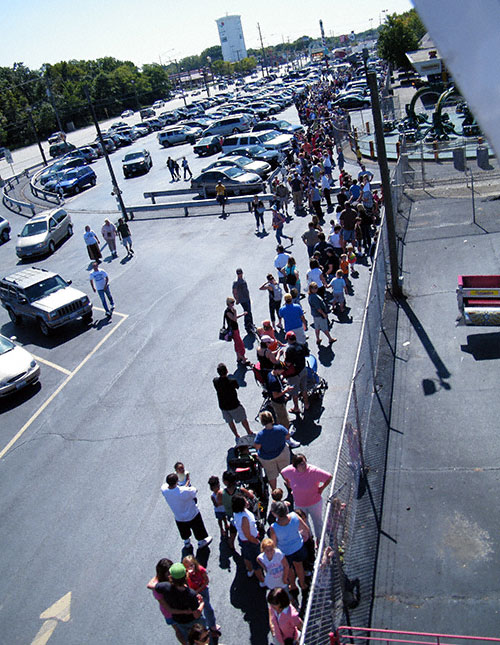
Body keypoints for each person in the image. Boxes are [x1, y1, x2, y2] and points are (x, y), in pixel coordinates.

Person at [151, 562, 206, 644]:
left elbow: (151, 585)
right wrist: (202, 603)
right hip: (194, 621)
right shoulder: (191, 594)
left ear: (170, 577)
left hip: (180, 622)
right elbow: (196, 614)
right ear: (186, 575)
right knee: (202, 637)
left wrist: (158, 574)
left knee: (189, 640)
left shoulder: (165, 587)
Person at [282, 454, 332, 541]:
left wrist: (321, 488)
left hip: (314, 503)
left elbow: (329, 477)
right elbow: (283, 473)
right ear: (295, 466)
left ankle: (320, 540)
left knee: (317, 523)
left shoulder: (314, 471)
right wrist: (288, 483)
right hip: (299, 504)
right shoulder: (290, 471)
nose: (304, 466)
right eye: (301, 464)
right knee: (304, 523)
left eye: (304, 463)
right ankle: (310, 539)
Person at [161, 473, 212, 549]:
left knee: (184, 531)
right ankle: (201, 541)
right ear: (177, 481)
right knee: (198, 528)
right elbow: (195, 490)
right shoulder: (184, 491)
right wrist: (186, 483)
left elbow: (165, 486)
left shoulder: (164, 490)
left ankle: (187, 542)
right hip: (192, 514)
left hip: (179, 517)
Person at [269, 502, 310, 592]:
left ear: (275, 513)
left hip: (285, 552)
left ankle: (293, 585)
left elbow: (274, 543)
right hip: (298, 547)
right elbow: (306, 529)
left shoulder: (274, 527)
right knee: (299, 566)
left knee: (289, 568)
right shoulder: (294, 516)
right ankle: (303, 584)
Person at [254, 410, 298, 490]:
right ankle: (289, 484)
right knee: (285, 470)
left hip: (267, 458)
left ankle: (275, 491)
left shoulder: (260, 435)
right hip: (282, 453)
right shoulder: (280, 428)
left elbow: (257, 447)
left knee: (271, 475)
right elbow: (287, 436)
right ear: (271, 419)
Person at [147, 558, 185, 643]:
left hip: (178, 609)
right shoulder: (159, 588)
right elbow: (166, 606)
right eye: (168, 572)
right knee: (179, 631)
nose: (171, 574)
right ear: (162, 574)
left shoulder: (171, 580)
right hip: (170, 614)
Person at [183, 555, 221, 640]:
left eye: (191, 565)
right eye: (187, 567)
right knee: (206, 608)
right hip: (194, 594)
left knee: (207, 607)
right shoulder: (186, 575)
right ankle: (209, 627)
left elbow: (206, 581)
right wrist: (188, 576)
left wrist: (198, 590)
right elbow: (186, 585)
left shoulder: (200, 569)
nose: (190, 568)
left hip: (203, 590)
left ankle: (211, 625)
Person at [213, 363, 253, 438]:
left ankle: (236, 435)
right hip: (234, 405)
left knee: (230, 421)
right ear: (227, 371)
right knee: (243, 418)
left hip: (223, 406)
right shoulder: (232, 381)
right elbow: (237, 387)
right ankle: (249, 432)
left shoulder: (215, 381)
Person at [232, 494, 265, 582]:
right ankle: (262, 580)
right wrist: (256, 541)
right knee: (256, 562)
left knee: (247, 556)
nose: (247, 501)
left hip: (243, 540)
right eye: (245, 501)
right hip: (250, 541)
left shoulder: (237, 513)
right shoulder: (244, 518)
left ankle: (250, 570)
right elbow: (248, 535)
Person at [283, 331, 310, 414]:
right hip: (303, 370)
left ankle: (296, 408)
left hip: (294, 374)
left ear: (288, 340)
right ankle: (306, 404)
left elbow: (287, 363)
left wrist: (284, 356)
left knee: (295, 392)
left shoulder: (289, 350)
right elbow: (307, 354)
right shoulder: (301, 345)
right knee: (304, 389)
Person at [266, 364, 293, 429]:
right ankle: (286, 430)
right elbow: (275, 396)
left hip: (278, 400)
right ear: (277, 370)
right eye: (282, 370)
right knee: (283, 417)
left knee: (279, 416)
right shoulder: (273, 381)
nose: (283, 372)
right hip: (277, 402)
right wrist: (286, 391)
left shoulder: (271, 374)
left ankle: (280, 426)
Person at [224, 297, 248, 365]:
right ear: (228, 303)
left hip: (235, 328)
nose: (233, 304)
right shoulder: (228, 312)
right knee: (240, 343)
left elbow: (235, 317)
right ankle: (243, 358)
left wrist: (242, 314)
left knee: (236, 343)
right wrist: (235, 312)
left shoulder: (231, 310)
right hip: (233, 330)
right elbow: (234, 319)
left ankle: (238, 357)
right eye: (232, 303)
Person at [232, 268, 254, 334]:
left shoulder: (243, 279)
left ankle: (251, 324)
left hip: (247, 298)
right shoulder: (236, 282)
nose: (240, 275)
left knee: (249, 311)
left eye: (240, 273)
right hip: (242, 299)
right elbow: (234, 292)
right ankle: (248, 327)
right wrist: (237, 299)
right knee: (247, 312)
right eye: (239, 274)